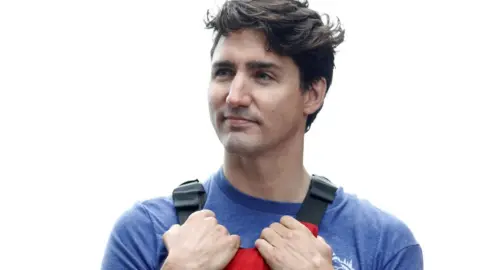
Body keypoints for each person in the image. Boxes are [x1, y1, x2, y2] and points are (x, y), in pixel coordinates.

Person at [101, 0, 423, 269]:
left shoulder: (383, 244)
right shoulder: (144, 233)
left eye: (263, 75)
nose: (235, 96)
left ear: (312, 93)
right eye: (224, 72)